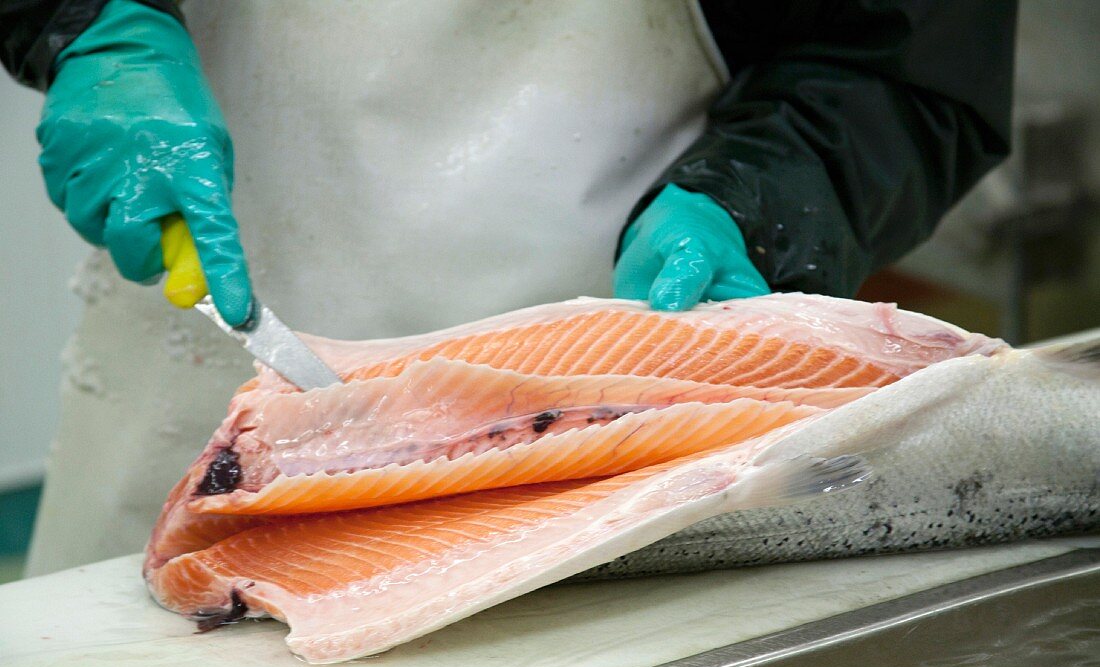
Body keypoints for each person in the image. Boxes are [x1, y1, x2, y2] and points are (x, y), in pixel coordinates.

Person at [1, 0, 1017, 574]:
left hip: (601, 419)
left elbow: (908, 55)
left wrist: (761, 196)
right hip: (189, 386)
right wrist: (91, 26)